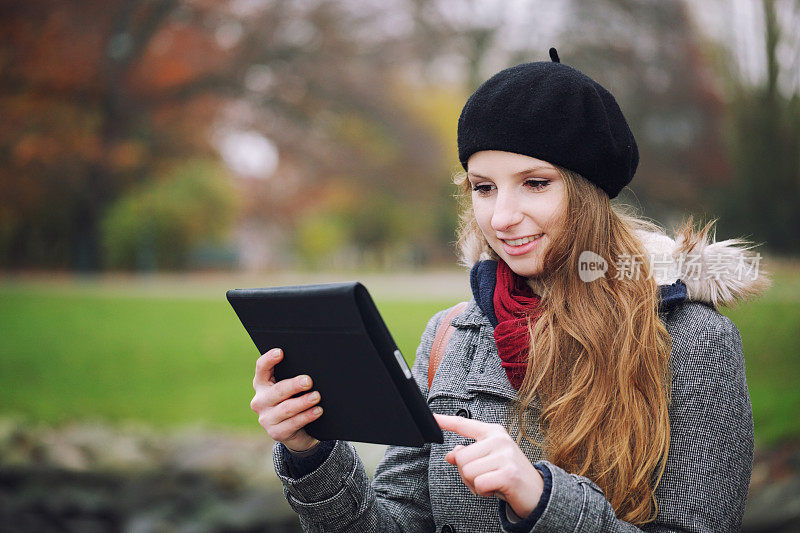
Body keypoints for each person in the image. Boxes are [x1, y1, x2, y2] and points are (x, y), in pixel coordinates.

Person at [249, 48, 769, 532]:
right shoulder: (452, 335)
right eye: (483, 187)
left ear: (590, 192)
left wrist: (544, 498)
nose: (501, 217)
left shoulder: (694, 342)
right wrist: (311, 450)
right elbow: (393, 522)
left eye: (535, 183)